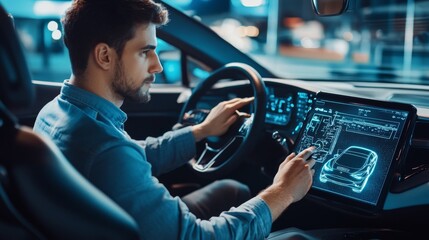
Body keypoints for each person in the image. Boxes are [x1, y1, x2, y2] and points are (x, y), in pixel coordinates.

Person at [33, 0, 316, 239]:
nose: (156, 65)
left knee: (233, 190)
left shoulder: (56, 113)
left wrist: (200, 131)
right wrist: (283, 191)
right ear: (105, 56)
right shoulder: (106, 151)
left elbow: (135, 155)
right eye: (145, 52)